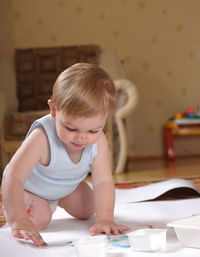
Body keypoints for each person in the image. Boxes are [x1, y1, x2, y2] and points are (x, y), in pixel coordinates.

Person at [2, 63, 130, 247]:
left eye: (94, 130)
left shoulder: (99, 141)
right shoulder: (41, 137)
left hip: (65, 188)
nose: (81, 137)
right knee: (39, 219)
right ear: (53, 110)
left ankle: (60, 199)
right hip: (32, 189)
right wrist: (18, 219)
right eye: (71, 128)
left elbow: (102, 181)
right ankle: (14, 206)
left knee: (89, 208)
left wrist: (105, 218)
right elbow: (12, 176)